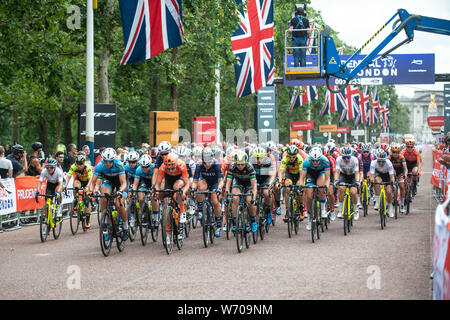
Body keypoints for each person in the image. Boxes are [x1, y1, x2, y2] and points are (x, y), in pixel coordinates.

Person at [88, 148, 129, 241]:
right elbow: (92, 182)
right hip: (108, 181)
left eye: (110, 162)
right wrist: (91, 191)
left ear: (113, 160)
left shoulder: (119, 165)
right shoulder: (100, 165)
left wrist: (120, 191)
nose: (108, 164)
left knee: (118, 204)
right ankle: (105, 222)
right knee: (103, 197)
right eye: (106, 161)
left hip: (119, 183)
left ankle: (126, 226)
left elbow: (123, 183)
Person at [191, 148, 224, 237]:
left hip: (215, 183)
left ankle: (218, 225)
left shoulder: (216, 165)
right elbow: (195, 181)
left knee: (215, 201)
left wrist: (219, 189)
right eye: (205, 163)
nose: (207, 165)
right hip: (204, 181)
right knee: (200, 187)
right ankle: (201, 209)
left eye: (209, 162)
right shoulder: (199, 165)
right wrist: (193, 189)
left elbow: (221, 181)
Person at [154, 153, 190, 231]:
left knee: (176, 187)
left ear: (176, 164)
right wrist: (156, 192)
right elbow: (158, 184)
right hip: (169, 179)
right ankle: (168, 226)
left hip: (179, 178)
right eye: (169, 169)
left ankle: (182, 210)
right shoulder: (163, 167)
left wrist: (183, 192)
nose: (171, 170)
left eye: (172, 168)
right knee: (166, 202)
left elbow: (187, 183)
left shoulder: (182, 165)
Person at [225, 151, 258, 233]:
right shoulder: (232, 167)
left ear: (245, 163)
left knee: (249, 201)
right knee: (235, 198)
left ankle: (253, 220)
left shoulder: (250, 167)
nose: (240, 166)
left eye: (242, 164)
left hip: (249, 183)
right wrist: (227, 195)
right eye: (238, 164)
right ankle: (235, 222)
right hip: (238, 182)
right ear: (235, 163)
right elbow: (228, 183)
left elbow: (254, 186)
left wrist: (254, 198)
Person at [300, 147, 330, 230]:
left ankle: (323, 208)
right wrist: (302, 186)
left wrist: (326, 187)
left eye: (317, 161)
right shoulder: (306, 161)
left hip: (321, 174)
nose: (315, 162)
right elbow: (302, 178)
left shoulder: (325, 160)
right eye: (313, 160)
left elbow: (328, 178)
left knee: (321, 187)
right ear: (311, 159)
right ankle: (310, 218)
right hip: (310, 175)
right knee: (309, 195)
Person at [65, 153, 94, 228]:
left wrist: (87, 186)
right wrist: (65, 185)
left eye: (81, 164)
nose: (79, 165)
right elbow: (68, 177)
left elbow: (90, 179)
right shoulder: (73, 166)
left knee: (87, 200)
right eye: (77, 163)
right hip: (79, 180)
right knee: (75, 187)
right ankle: (76, 201)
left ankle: (87, 220)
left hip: (87, 181)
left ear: (84, 163)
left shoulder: (88, 167)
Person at [249, 146, 276, 225]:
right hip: (255, 179)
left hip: (265, 179)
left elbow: (272, 175)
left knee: (266, 193)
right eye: (256, 158)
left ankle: (268, 211)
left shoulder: (268, 162)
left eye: (260, 157)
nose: (258, 160)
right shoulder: (250, 163)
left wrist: (270, 184)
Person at [278, 145, 304, 222]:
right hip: (289, 174)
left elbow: (302, 173)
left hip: (299, 175)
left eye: (293, 157)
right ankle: (287, 210)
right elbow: (281, 171)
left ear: (296, 156)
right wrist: (280, 181)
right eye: (290, 157)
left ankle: (301, 208)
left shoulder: (299, 158)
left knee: (299, 190)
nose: (291, 158)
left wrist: (301, 183)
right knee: (287, 189)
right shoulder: (285, 159)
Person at [334, 147, 361, 220]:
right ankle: (340, 210)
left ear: (350, 156)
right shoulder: (339, 159)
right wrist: (336, 180)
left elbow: (357, 173)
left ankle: (355, 210)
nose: (346, 159)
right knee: (341, 188)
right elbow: (337, 171)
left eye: (348, 157)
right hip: (343, 175)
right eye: (344, 157)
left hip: (352, 176)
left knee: (353, 192)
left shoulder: (354, 160)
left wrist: (357, 181)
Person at [369, 149, 396, 218]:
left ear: (385, 160)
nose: (381, 163)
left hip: (387, 175)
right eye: (379, 161)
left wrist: (392, 181)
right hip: (379, 174)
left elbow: (392, 176)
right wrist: (371, 180)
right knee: (376, 181)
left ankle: (390, 208)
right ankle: (378, 201)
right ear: (376, 159)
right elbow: (372, 174)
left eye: (383, 161)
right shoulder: (373, 162)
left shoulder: (388, 163)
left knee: (389, 191)